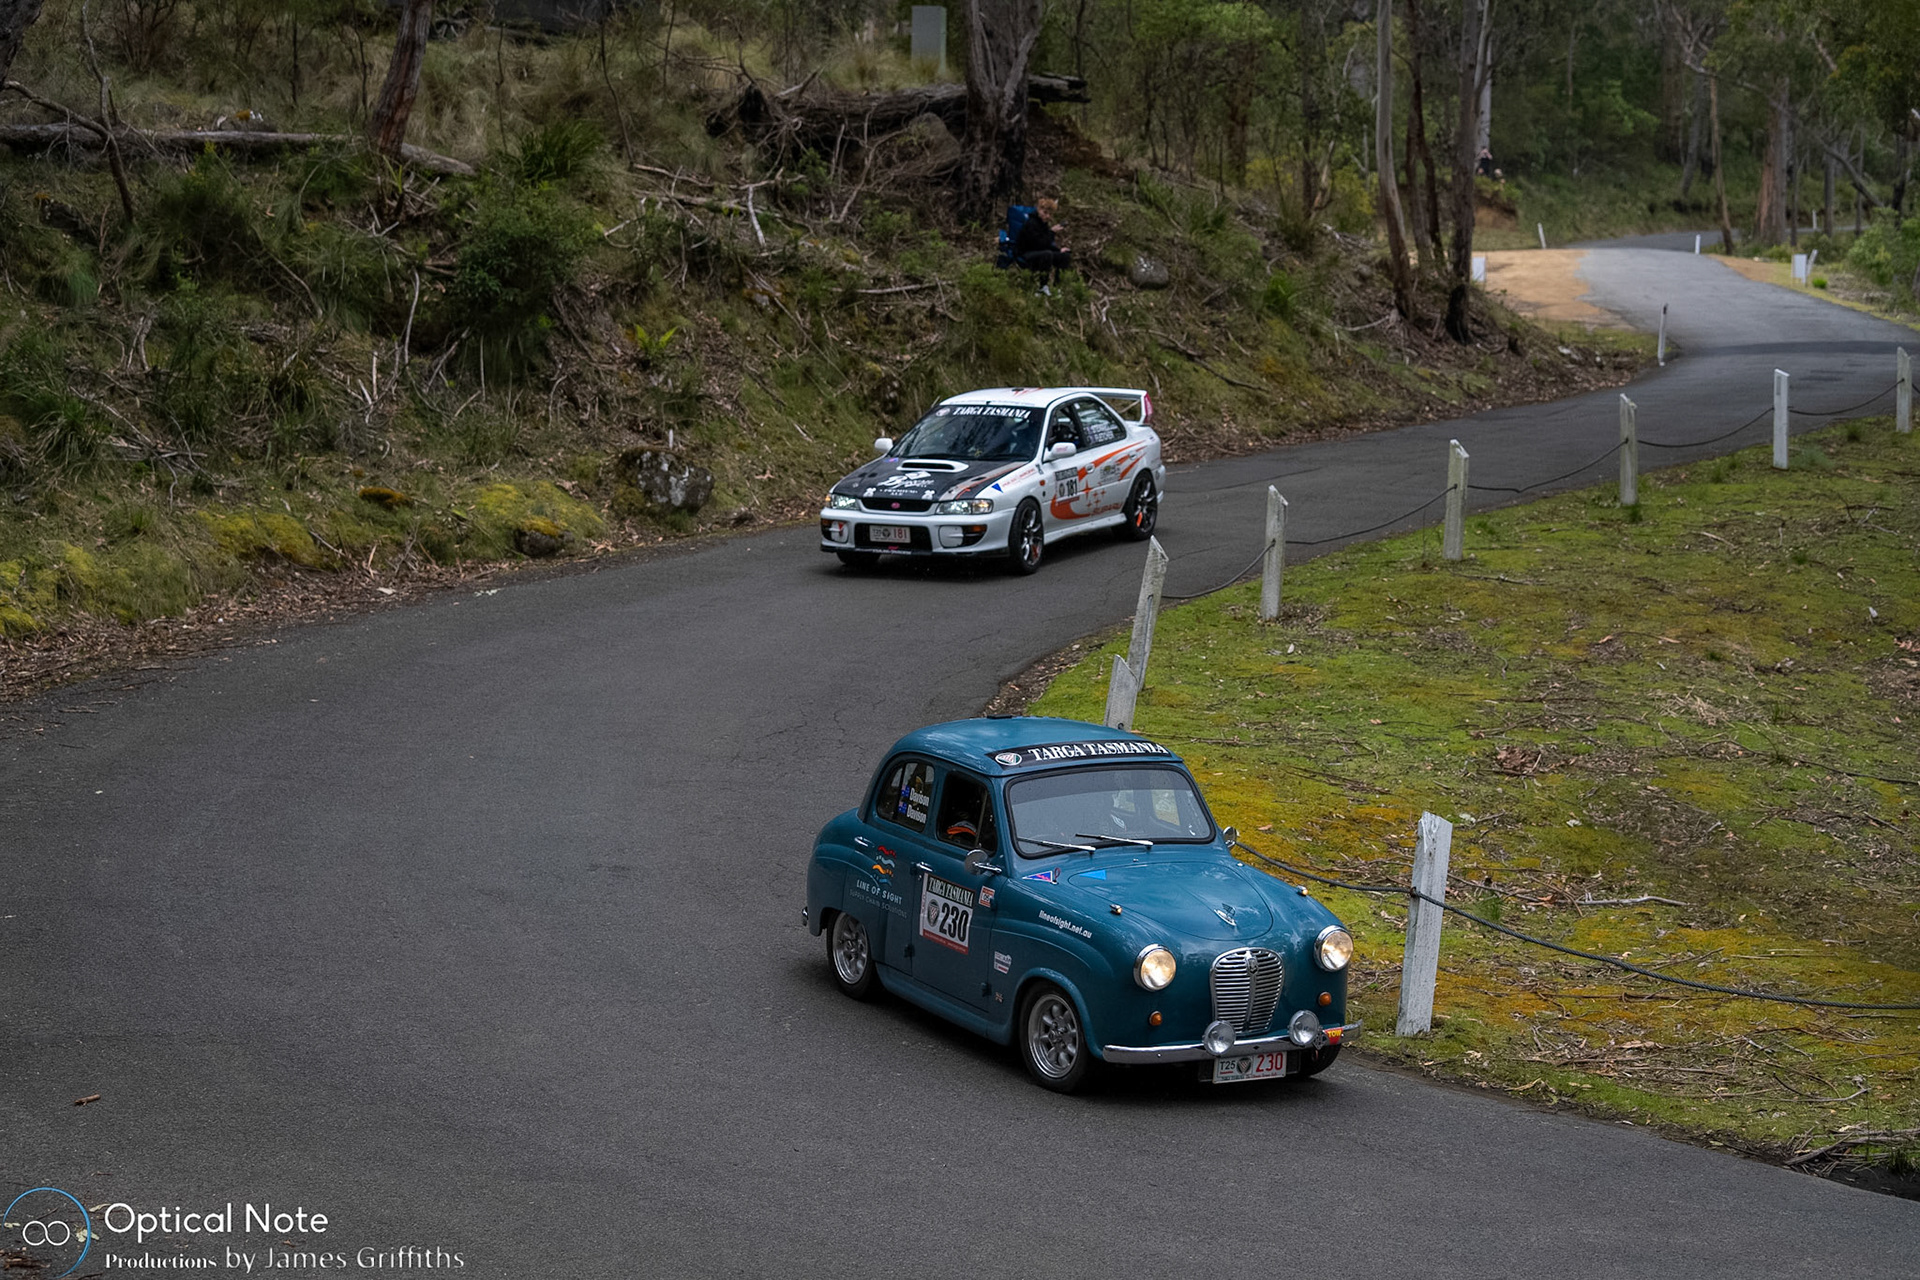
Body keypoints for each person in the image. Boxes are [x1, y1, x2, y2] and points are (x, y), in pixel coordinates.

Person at [1013, 197, 1073, 282]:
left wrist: (1059, 250)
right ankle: (1043, 286)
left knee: (1064, 256)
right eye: (1045, 212)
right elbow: (1039, 244)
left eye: (1050, 214)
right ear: (1039, 210)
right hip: (1025, 253)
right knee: (1047, 254)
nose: (1047, 216)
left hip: (1039, 252)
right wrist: (1051, 232)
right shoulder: (1031, 223)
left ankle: (1058, 287)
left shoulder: (1043, 225)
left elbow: (1046, 243)